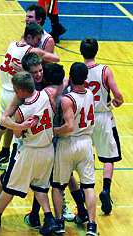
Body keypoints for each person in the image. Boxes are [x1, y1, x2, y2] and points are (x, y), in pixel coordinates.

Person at [0, 70, 65, 235]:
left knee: (10, 186)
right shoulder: (47, 96)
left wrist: (20, 126)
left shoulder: (21, 111)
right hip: (48, 150)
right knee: (40, 187)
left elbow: (17, 135)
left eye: (16, 89)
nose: (14, 92)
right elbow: (62, 83)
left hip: (30, 151)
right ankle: (49, 219)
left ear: (22, 91)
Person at [0, 22, 60, 173]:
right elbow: (56, 58)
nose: (38, 43)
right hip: (17, 93)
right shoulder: (32, 50)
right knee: (9, 127)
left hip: (5, 90)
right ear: (29, 37)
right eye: (37, 39)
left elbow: (6, 65)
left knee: (6, 126)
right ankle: (4, 162)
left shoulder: (12, 44)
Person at [51, 62, 98, 235]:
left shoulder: (66, 99)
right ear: (86, 78)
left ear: (69, 77)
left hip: (68, 142)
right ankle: (92, 226)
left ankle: (59, 222)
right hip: (86, 143)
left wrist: (53, 131)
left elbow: (69, 126)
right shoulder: (91, 93)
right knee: (89, 186)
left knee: (57, 186)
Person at [80, 37, 124, 214]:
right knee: (108, 157)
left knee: (86, 157)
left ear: (81, 52)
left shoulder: (78, 70)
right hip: (104, 117)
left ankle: (85, 190)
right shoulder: (105, 70)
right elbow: (118, 94)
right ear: (96, 51)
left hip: (85, 117)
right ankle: (106, 189)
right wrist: (117, 101)